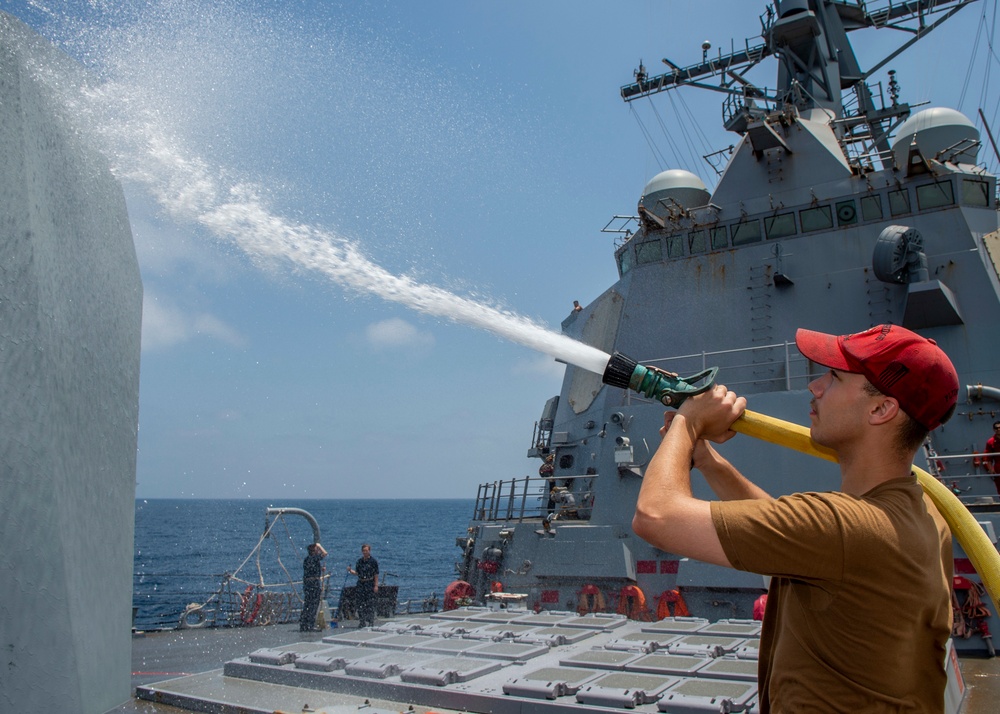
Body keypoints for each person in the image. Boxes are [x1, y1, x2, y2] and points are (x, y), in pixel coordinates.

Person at [632, 324, 958, 712]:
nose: (815, 387)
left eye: (834, 378)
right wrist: (709, 463)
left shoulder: (845, 527)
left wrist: (688, 421)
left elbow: (655, 516)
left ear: (881, 408)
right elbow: (798, 539)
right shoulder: (923, 513)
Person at [348, 543, 379, 628]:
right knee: (360, 603)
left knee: (370, 603)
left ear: (369, 551)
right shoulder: (359, 561)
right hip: (361, 583)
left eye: (366, 550)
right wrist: (351, 571)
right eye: (364, 551)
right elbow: (358, 573)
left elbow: (376, 574)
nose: (365, 552)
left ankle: (371, 621)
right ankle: (362, 621)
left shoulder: (373, 561)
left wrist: (376, 585)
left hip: (369, 583)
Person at [298, 542, 327, 632]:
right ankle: (310, 625)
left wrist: (319, 569)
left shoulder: (307, 559)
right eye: (316, 550)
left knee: (307, 604)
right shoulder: (314, 558)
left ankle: (303, 624)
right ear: (314, 551)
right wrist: (319, 545)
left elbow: (311, 568)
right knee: (313, 604)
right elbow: (325, 553)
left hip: (307, 583)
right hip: (314, 583)